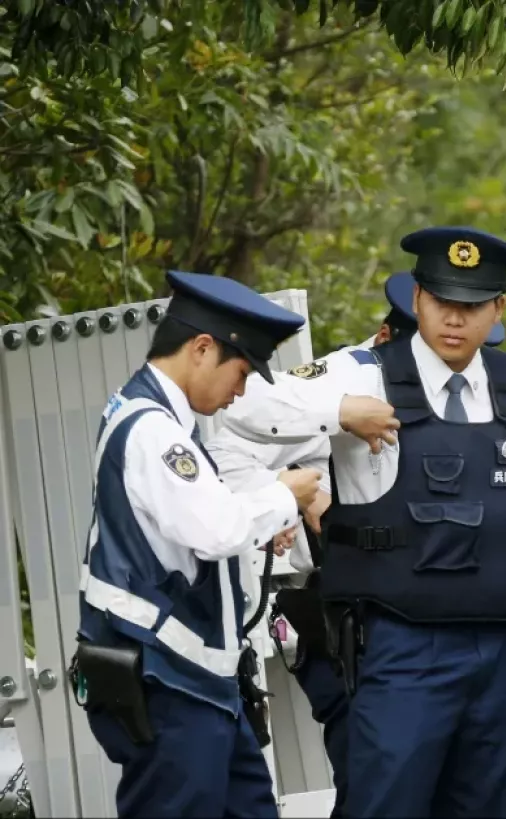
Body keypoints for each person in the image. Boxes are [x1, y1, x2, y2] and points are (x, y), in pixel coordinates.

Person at [213, 226, 506, 818]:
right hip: (403, 648)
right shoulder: (362, 373)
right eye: (441, 301)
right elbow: (239, 406)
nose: (454, 320)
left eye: (472, 306)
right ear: (417, 298)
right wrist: (338, 413)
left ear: (498, 307)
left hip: (505, 651)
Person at [206, 270, 506, 817]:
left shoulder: (471, 394)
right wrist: (290, 493)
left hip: (423, 621)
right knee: (370, 776)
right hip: (335, 619)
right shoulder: (340, 381)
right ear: (391, 337)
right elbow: (231, 428)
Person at [71, 270, 328, 817]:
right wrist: (284, 495)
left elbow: (194, 518)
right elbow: (215, 530)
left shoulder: (162, 420)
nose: (240, 391)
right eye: (240, 373)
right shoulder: (153, 431)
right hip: (169, 683)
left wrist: (262, 509)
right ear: (202, 347)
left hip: (199, 681)